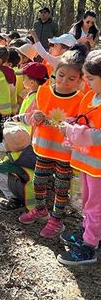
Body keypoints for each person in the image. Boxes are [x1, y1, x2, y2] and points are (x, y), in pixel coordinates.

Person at [18, 49, 86, 238]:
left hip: (65, 154)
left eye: (71, 79)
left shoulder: (81, 100)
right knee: (39, 181)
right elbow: (31, 116)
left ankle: (56, 220)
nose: (64, 82)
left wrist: (73, 125)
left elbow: (83, 127)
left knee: (61, 187)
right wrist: (35, 117)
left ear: (81, 80)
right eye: (61, 75)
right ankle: (40, 210)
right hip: (43, 148)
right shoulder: (43, 92)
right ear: (56, 73)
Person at [58, 50, 101, 265]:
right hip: (88, 163)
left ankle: (89, 246)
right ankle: (89, 231)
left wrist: (74, 132)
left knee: (96, 205)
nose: (87, 82)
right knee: (87, 200)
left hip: (98, 167)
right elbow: (86, 119)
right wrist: (73, 122)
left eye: (91, 79)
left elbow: (97, 135)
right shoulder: (91, 97)